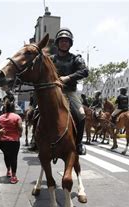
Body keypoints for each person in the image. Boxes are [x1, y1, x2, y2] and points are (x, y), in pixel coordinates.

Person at [50, 27, 89, 155]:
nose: (64, 43)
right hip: (53, 91)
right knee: (35, 112)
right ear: (57, 43)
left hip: (69, 92)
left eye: (67, 41)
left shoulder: (75, 58)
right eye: (62, 41)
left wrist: (68, 78)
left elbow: (85, 71)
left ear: (70, 43)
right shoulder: (50, 59)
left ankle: (78, 144)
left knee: (81, 115)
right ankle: (35, 139)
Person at [0, 100, 23, 184]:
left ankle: (8, 170)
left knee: (6, 155)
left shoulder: (0, 117)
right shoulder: (17, 117)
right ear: (13, 108)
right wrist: (20, 133)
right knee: (14, 157)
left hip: (2, 141)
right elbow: (20, 127)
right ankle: (13, 177)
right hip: (14, 141)